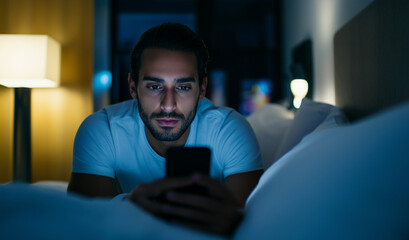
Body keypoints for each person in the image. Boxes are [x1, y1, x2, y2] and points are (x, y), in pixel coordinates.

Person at [68, 22, 263, 236]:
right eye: (154, 86)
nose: (168, 105)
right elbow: (83, 225)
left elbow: (252, 227)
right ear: (133, 87)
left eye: (183, 87)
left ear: (202, 89)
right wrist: (129, 206)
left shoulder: (229, 130)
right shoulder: (102, 129)